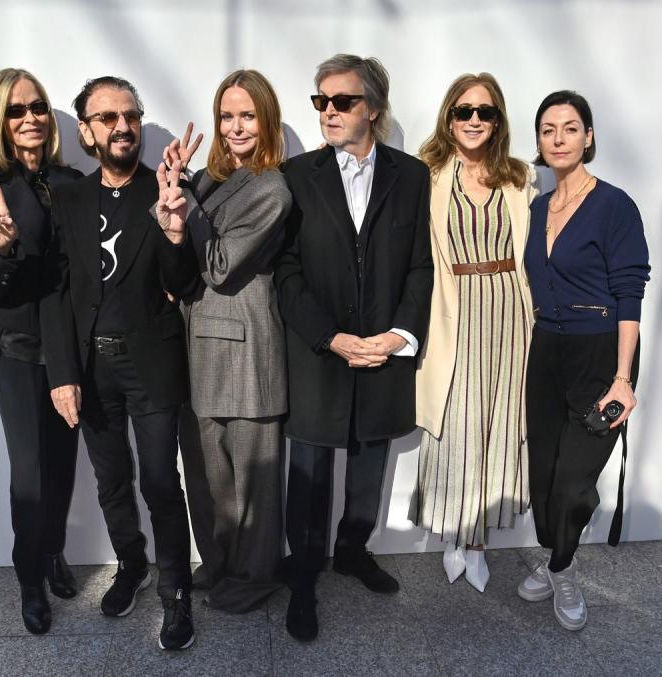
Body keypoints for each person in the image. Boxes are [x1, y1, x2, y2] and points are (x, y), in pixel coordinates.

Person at [275, 54, 432, 642]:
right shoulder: (296, 176)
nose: (329, 112)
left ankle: (354, 550)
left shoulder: (412, 176)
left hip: (384, 351)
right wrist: (330, 337)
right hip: (320, 353)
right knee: (310, 470)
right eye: (321, 101)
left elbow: (420, 266)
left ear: (374, 109)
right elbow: (285, 273)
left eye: (342, 101)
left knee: (370, 459)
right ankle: (305, 576)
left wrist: (399, 337)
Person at [40, 76, 199, 650]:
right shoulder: (70, 198)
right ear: (86, 130)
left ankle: (176, 591)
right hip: (89, 368)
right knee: (112, 482)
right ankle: (131, 565)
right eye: (107, 118)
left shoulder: (164, 190)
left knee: (160, 481)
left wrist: (176, 231)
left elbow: (183, 285)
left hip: (152, 361)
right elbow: (56, 293)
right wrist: (61, 372)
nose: (122, 126)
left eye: (130, 115)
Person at [0, 68, 81, 635]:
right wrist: (3, 248)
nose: (30, 117)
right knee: (29, 473)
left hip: (69, 347)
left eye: (38, 107)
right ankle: (29, 576)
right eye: (16, 110)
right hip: (17, 348)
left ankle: (52, 550)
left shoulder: (68, 180)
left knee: (61, 466)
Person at [518, 91, 650, 631]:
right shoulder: (537, 207)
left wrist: (622, 378)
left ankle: (563, 567)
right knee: (544, 475)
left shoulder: (615, 204)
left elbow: (630, 293)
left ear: (588, 137)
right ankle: (556, 558)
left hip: (600, 356)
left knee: (574, 481)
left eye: (570, 128)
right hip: (546, 350)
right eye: (548, 129)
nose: (558, 138)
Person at [413, 73, 537, 592]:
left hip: (509, 309)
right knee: (455, 425)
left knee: (499, 424)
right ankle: (453, 533)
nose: (474, 121)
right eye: (464, 111)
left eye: (485, 112)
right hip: (454, 310)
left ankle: (480, 542)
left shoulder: (519, 176)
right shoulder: (427, 173)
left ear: (498, 120)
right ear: (449, 116)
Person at [173, 70, 292, 613]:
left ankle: (253, 575)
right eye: (227, 116)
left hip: (247, 348)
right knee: (208, 471)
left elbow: (220, 266)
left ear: (266, 120)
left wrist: (186, 205)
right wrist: (175, 196)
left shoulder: (271, 188)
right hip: (197, 344)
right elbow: (178, 252)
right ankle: (219, 563)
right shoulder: (206, 181)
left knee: (255, 478)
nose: (236, 126)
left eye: (247, 115)